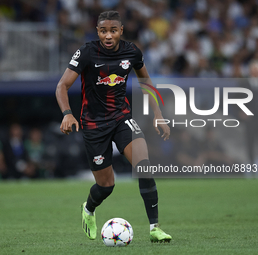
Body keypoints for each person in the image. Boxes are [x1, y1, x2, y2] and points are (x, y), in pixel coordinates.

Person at [55, 11, 171, 243]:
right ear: (98, 32)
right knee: (106, 185)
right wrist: (67, 114)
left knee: (144, 167)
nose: (108, 35)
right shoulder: (86, 52)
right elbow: (62, 86)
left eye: (113, 30)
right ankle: (88, 209)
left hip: (121, 118)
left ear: (121, 31)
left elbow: (146, 82)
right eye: (103, 31)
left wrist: (158, 114)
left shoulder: (132, 52)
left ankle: (155, 228)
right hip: (93, 125)